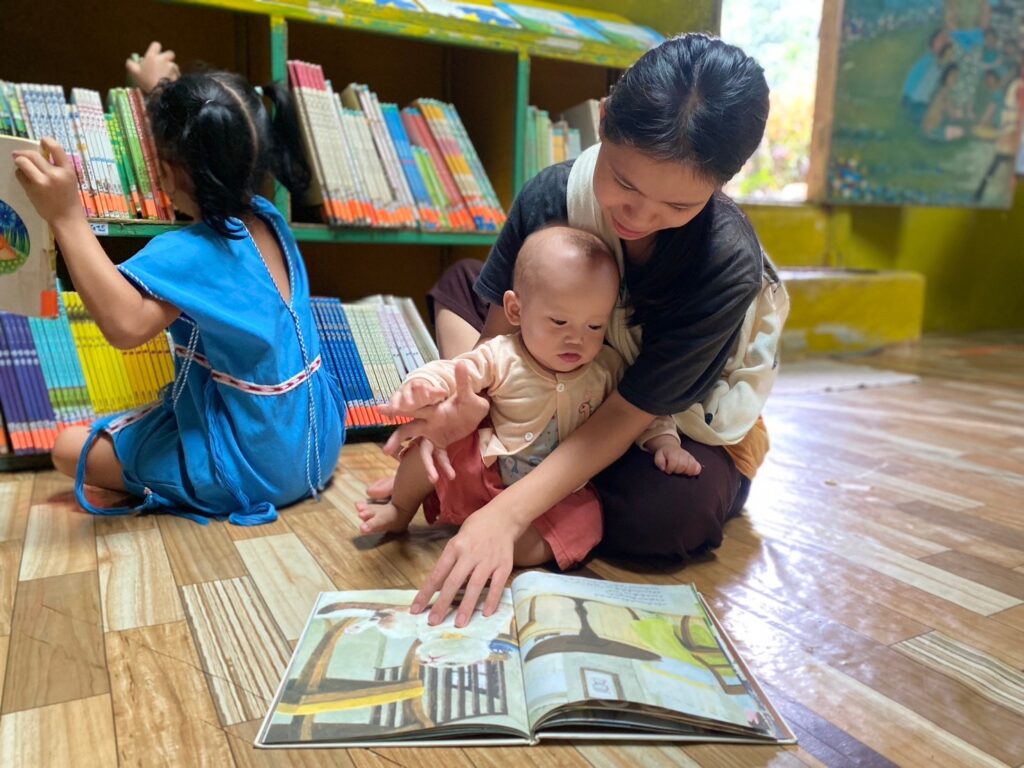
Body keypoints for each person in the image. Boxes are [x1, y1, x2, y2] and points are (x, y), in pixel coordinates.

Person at [370, 33, 789, 627]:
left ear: (719, 187)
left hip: (660, 412)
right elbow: (503, 349)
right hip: (560, 366)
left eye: (678, 207)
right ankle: (556, 488)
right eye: (624, 181)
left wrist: (507, 514)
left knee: (665, 519)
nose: (638, 218)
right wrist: (459, 413)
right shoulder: (552, 195)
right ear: (602, 119)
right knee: (468, 282)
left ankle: (569, 490)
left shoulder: (723, 261)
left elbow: (628, 414)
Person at [11, 46, 346, 525]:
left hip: (253, 470)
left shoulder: (194, 251)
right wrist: (158, 92)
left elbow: (127, 325)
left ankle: (171, 479)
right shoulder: (271, 220)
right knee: (147, 419)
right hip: (317, 443)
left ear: (166, 172)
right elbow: (209, 134)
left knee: (67, 448)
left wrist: (66, 217)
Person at [357, 226, 691, 589]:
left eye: (595, 325)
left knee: (585, 524)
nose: (576, 338)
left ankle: (491, 542)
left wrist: (666, 444)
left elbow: (644, 413)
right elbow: (457, 373)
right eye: (559, 321)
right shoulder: (502, 354)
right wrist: (423, 386)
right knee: (428, 452)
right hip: (484, 468)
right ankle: (400, 509)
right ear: (516, 309)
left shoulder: (607, 368)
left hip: (554, 495)